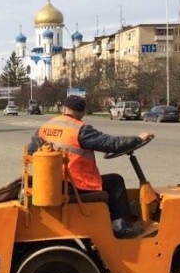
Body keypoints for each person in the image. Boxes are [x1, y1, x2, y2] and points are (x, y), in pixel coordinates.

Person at [28, 95, 152, 239]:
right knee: (115, 181)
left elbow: (32, 151)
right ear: (82, 113)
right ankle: (119, 226)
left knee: (112, 181)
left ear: (64, 109)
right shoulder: (80, 129)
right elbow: (111, 144)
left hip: (52, 183)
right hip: (75, 184)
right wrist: (138, 139)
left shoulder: (47, 126)